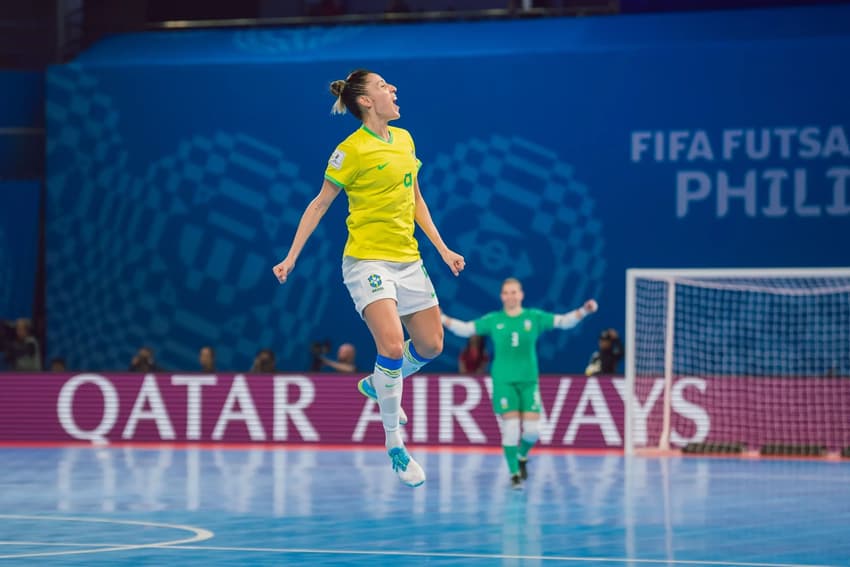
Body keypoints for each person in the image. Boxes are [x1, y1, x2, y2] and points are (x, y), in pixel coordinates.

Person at [273, 68, 465, 487]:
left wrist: (443, 248)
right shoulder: (350, 151)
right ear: (365, 101)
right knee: (393, 344)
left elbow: (415, 199)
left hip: (408, 261)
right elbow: (320, 204)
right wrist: (290, 257)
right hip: (367, 262)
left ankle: (379, 384)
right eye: (383, 86)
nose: (393, 89)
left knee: (432, 345)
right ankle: (395, 444)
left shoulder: (406, 140)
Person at [442, 278, 597, 490]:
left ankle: (522, 455)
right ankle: (514, 474)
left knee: (533, 431)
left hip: (528, 381)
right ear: (501, 296)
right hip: (504, 381)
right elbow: (467, 329)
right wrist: (442, 318)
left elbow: (563, 321)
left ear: (521, 295)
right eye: (506, 292)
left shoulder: (534, 317)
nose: (510, 296)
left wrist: (584, 311)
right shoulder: (494, 320)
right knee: (511, 428)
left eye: (514, 292)